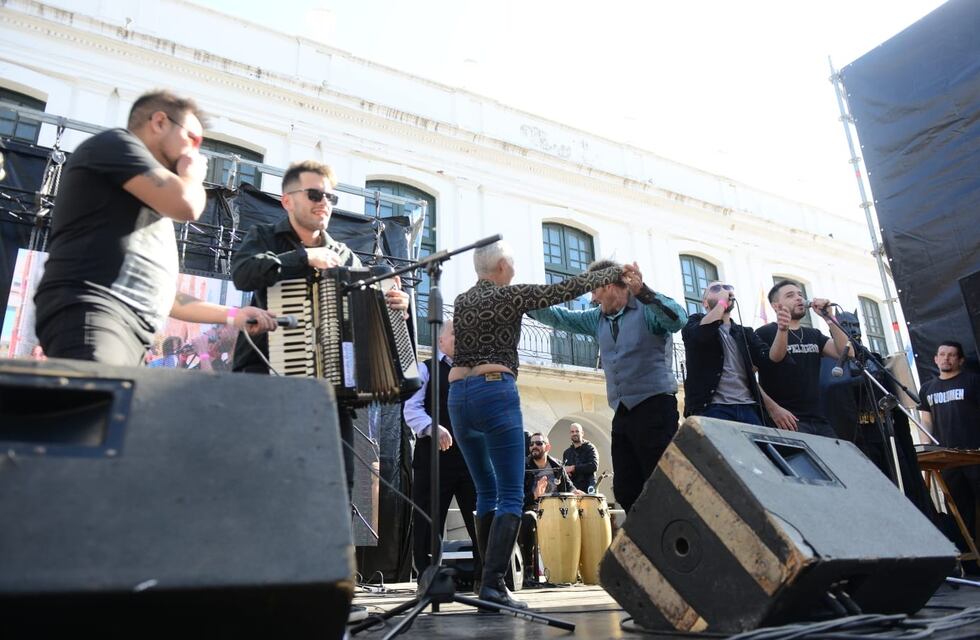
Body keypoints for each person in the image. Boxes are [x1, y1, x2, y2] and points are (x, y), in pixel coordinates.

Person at [230, 160, 408, 625]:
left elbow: (368, 314)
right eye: (314, 195)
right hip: (268, 379)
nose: (323, 203)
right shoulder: (266, 239)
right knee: (271, 484)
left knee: (336, 486)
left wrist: (395, 306)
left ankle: (333, 591)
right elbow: (244, 274)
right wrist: (301, 260)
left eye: (329, 196)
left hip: (334, 390)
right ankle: (263, 588)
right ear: (288, 200)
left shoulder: (347, 256)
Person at [34, 90, 277, 364]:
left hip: (128, 326)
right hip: (94, 312)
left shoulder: (147, 203)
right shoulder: (116, 144)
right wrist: (192, 175)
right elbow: (189, 205)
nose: (195, 151)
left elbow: (168, 298)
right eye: (193, 139)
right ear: (159, 122)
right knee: (97, 403)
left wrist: (233, 315)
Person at [448, 241, 625, 609]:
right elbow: (565, 289)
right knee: (511, 493)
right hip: (494, 390)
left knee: (485, 492)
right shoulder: (511, 295)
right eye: (512, 260)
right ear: (500, 267)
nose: (515, 266)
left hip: (458, 397)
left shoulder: (463, 300)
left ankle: (486, 579)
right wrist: (614, 274)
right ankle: (494, 586)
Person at [528, 259, 687, 514]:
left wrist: (643, 291)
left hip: (655, 406)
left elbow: (678, 319)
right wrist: (524, 302)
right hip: (623, 412)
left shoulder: (646, 308)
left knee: (661, 482)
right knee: (625, 488)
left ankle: (671, 536)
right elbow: (562, 318)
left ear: (609, 285)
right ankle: (644, 538)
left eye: (594, 290)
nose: (591, 298)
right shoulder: (597, 318)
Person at [402, 320, 481, 588]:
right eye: (456, 333)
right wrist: (432, 427)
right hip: (434, 457)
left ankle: (487, 579)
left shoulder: (473, 372)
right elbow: (411, 409)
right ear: (440, 341)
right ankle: (428, 579)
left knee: (480, 514)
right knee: (428, 518)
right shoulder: (425, 369)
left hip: (470, 458)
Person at [682, 281, 789, 425]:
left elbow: (771, 359)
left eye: (727, 288)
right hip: (712, 408)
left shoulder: (744, 333)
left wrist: (782, 331)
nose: (723, 290)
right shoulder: (693, 322)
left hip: (749, 408)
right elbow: (701, 335)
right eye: (715, 288)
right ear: (705, 303)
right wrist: (722, 303)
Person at [755, 280, 849, 437]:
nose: (799, 298)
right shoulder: (764, 333)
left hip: (819, 420)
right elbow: (747, 375)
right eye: (790, 295)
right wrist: (772, 408)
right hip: (786, 421)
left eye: (800, 294)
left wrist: (829, 318)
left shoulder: (813, 334)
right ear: (776, 306)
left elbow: (846, 352)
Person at [919, 341, 980, 555]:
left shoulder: (973, 381)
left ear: (960, 360)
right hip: (947, 458)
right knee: (958, 509)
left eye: (951, 355)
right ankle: (970, 559)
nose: (946, 358)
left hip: (974, 455)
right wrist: (926, 446)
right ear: (935, 359)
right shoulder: (927, 388)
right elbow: (926, 421)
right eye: (942, 354)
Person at [519, 432, 576, 588]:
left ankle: (569, 570)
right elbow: (516, 499)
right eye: (531, 444)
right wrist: (534, 495)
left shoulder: (557, 466)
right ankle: (528, 574)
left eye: (539, 443)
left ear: (548, 446)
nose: (534, 446)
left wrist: (578, 492)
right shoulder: (523, 467)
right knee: (528, 519)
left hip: (556, 512)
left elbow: (570, 488)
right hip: (532, 511)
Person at [561, 423, 598, 492]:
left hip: (589, 488)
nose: (575, 433)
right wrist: (565, 471)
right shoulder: (567, 452)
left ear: (582, 433)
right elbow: (565, 471)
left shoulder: (590, 448)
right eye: (572, 432)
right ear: (570, 434)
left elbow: (594, 466)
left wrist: (573, 468)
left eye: (577, 431)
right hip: (573, 490)